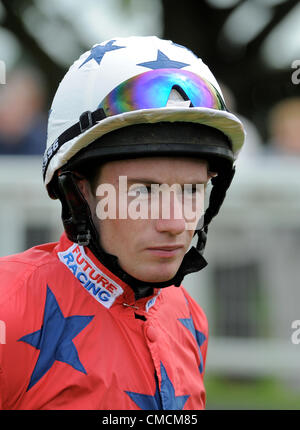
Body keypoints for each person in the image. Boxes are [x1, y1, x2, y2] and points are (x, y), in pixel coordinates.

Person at [0, 36, 245, 410]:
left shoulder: (189, 317)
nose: (175, 223)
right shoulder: (8, 308)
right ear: (77, 193)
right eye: (143, 192)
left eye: (193, 190)